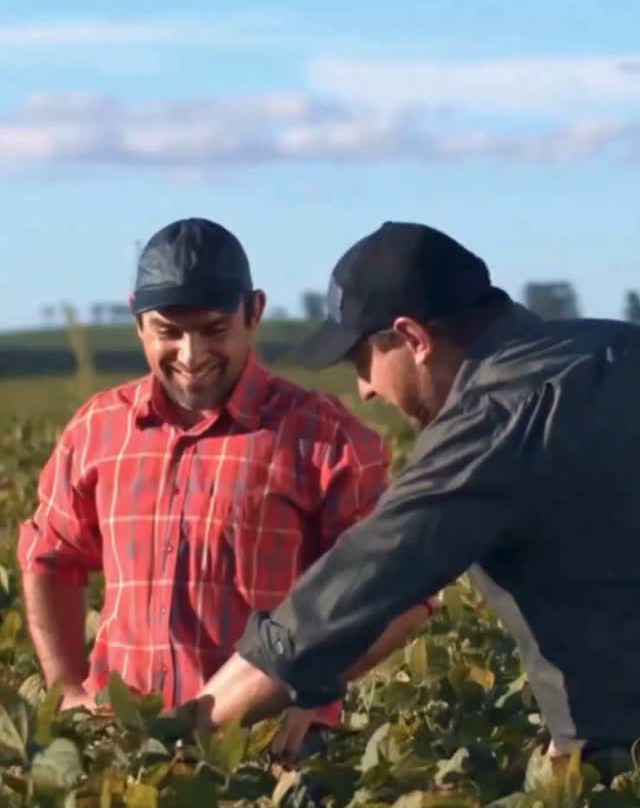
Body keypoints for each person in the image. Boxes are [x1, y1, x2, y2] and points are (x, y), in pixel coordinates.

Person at [198, 219, 640, 770]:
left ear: (413, 339)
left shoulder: (494, 420)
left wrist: (187, 731)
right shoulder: (616, 345)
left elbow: (358, 584)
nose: (364, 389)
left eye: (363, 362)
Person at [17, 218, 430, 762]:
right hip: (121, 744)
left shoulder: (323, 436)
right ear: (138, 321)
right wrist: (66, 688)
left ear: (253, 313)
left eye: (213, 329)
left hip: (266, 747)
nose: (191, 354)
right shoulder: (98, 430)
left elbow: (401, 593)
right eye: (168, 331)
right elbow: (49, 556)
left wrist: (316, 683)